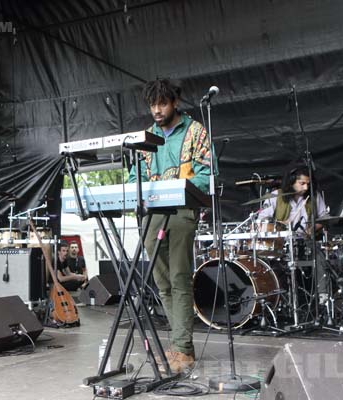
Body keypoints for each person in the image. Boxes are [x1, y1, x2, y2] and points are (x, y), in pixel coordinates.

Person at [128, 78, 213, 373]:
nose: (157, 110)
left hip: (181, 211)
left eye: (162, 103)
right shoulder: (146, 138)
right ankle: (179, 345)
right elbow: (132, 179)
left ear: (174, 102)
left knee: (179, 278)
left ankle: (184, 349)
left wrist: (177, 187)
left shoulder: (194, 131)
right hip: (151, 214)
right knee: (162, 282)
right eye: (152, 105)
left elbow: (207, 175)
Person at [258, 163, 330, 300]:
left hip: (304, 240)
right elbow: (262, 219)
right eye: (302, 183)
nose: (306, 187)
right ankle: (276, 298)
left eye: (308, 184)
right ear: (291, 182)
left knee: (319, 256)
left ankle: (323, 296)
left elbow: (324, 218)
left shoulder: (314, 196)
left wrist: (313, 228)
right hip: (281, 243)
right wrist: (279, 225)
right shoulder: (275, 196)